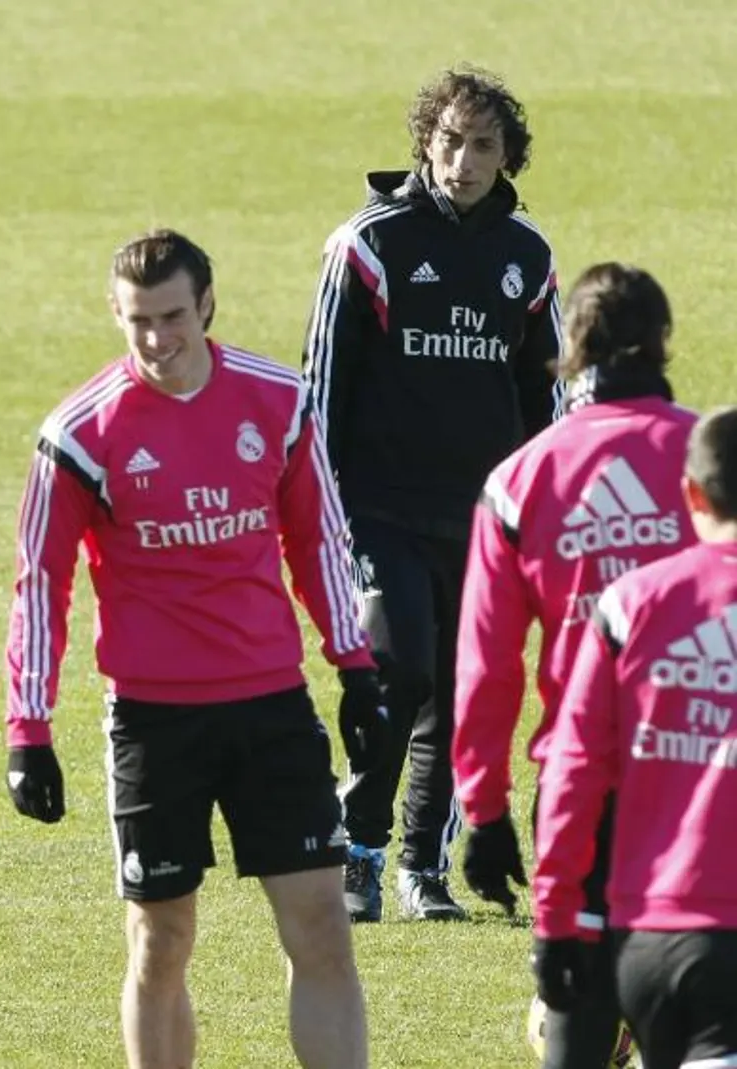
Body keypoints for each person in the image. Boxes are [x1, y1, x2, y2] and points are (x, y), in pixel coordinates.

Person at [5, 230, 379, 1069]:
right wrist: (28, 731)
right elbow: (39, 582)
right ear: (116, 313)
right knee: (161, 938)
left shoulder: (279, 402)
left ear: (207, 304)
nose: (156, 338)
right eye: (137, 319)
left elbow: (318, 539)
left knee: (322, 924)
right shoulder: (79, 433)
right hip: (152, 721)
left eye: (172, 316)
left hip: (271, 709)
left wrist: (355, 666)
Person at [301, 65, 564, 922]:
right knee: (395, 668)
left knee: (463, 691)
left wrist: (537, 513)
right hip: (377, 507)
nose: (463, 159)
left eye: (483, 144)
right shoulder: (368, 244)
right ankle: (361, 848)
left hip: (481, 519)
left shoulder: (529, 257)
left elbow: (545, 400)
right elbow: (322, 391)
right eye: (449, 140)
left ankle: (423, 866)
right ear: (426, 139)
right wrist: (325, 514)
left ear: (506, 155)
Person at [452, 263, 695, 1068]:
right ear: (662, 343)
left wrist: (483, 810)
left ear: (572, 350)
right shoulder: (712, 462)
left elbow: (487, 664)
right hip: (703, 783)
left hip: (581, 792)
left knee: (577, 1029)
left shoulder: (520, 480)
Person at [533, 407, 737, 1069]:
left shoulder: (631, 602)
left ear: (691, 496)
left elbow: (574, 768)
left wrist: (558, 917)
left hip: (650, 940)